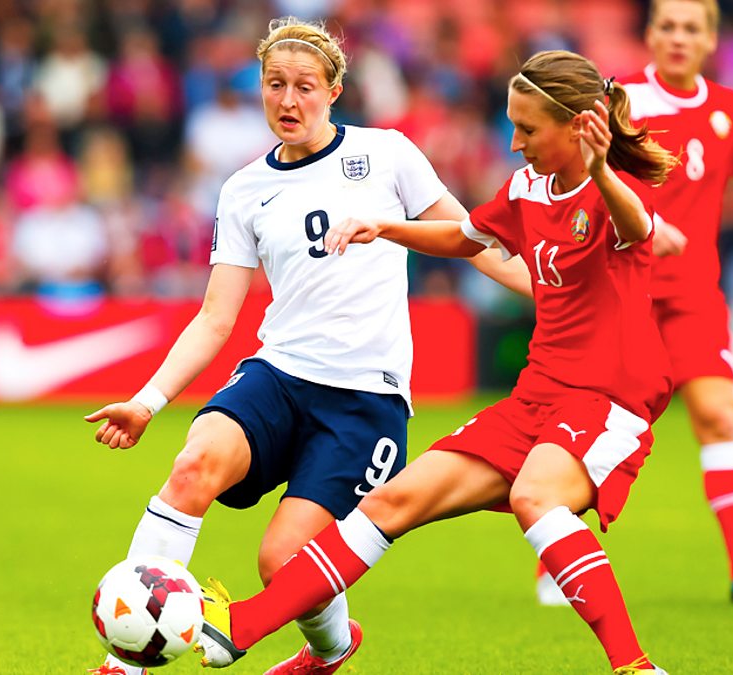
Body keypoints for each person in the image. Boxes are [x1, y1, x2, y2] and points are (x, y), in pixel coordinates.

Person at [192, 50, 676, 675]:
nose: (514, 141)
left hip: (609, 396)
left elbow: (638, 227)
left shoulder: (615, 193)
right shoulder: (527, 187)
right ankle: (246, 625)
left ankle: (635, 666)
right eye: (512, 124)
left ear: (576, 125)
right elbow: (467, 236)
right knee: (389, 505)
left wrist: (603, 170)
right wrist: (384, 227)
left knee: (536, 496)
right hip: (537, 395)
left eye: (527, 129)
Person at [83, 17, 532, 675]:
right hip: (279, 374)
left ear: (335, 89)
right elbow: (215, 317)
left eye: (304, 86)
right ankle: (131, 660)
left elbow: (471, 240)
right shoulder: (244, 191)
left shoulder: (388, 154)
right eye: (275, 85)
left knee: (284, 560)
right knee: (192, 466)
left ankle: (330, 647)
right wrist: (148, 402)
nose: (288, 101)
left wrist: (550, 294)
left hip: (365, 399)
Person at [535, 0, 733, 607]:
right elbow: (579, 176)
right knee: (602, 430)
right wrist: (644, 223)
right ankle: (558, 553)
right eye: (667, 26)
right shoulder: (623, 101)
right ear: (649, 34)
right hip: (622, 292)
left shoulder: (731, 110)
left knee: (717, 416)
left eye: (691, 28)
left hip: (694, 296)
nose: (678, 37)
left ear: (710, 40)